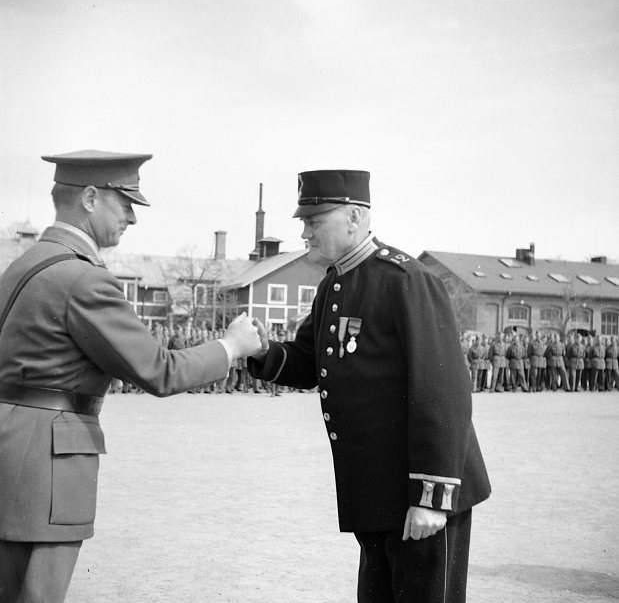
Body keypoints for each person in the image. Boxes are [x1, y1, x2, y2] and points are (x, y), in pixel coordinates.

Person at [0, 150, 262, 603]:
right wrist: (231, 346)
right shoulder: (84, 278)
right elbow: (159, 371)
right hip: (49, 457)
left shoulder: (24, 264)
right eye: (124, 204)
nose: (132, 218)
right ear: (89, 198)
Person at [248, 169, 491, 603]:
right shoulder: (334, 284)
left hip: (418, 494)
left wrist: (431, 497)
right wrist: (262, 351)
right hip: (376, 494)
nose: (304, 232)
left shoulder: (405, 279)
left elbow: (442, 391)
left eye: (314, 221)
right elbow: (310, 362)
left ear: (355, 218)